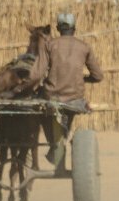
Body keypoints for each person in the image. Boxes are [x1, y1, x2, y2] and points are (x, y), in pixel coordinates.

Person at [26, 12, 104, 167]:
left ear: (57, 28)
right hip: (74, 98)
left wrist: (26, 86)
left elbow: (39, 72)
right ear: (74, 28)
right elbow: (98, 76)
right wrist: (84, 79)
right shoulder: (84, 47)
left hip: (51, 97)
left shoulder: (50, 45)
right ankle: (58, 146)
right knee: (67, 119)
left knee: (43, 112)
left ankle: (55, 147)